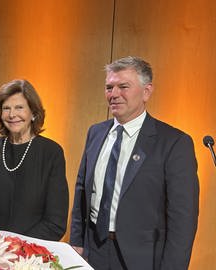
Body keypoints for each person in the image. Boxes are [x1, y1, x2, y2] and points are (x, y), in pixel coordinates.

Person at [70, 56, 199, 269]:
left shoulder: (174, 143)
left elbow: (183, 220)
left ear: (146, 91)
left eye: (123, 86)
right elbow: (82, 189)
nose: (114, 94)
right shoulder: (96, 132)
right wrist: (76, 242)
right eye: (109, 87)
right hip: (93, 250)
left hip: (141, 259)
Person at [0, 79, 69, 241]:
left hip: (32, 252)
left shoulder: (51, 152)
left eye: (19, 108)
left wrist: (18, 246)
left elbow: (55, 221)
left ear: (33, 113)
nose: (12, 115)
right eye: (6, 108)